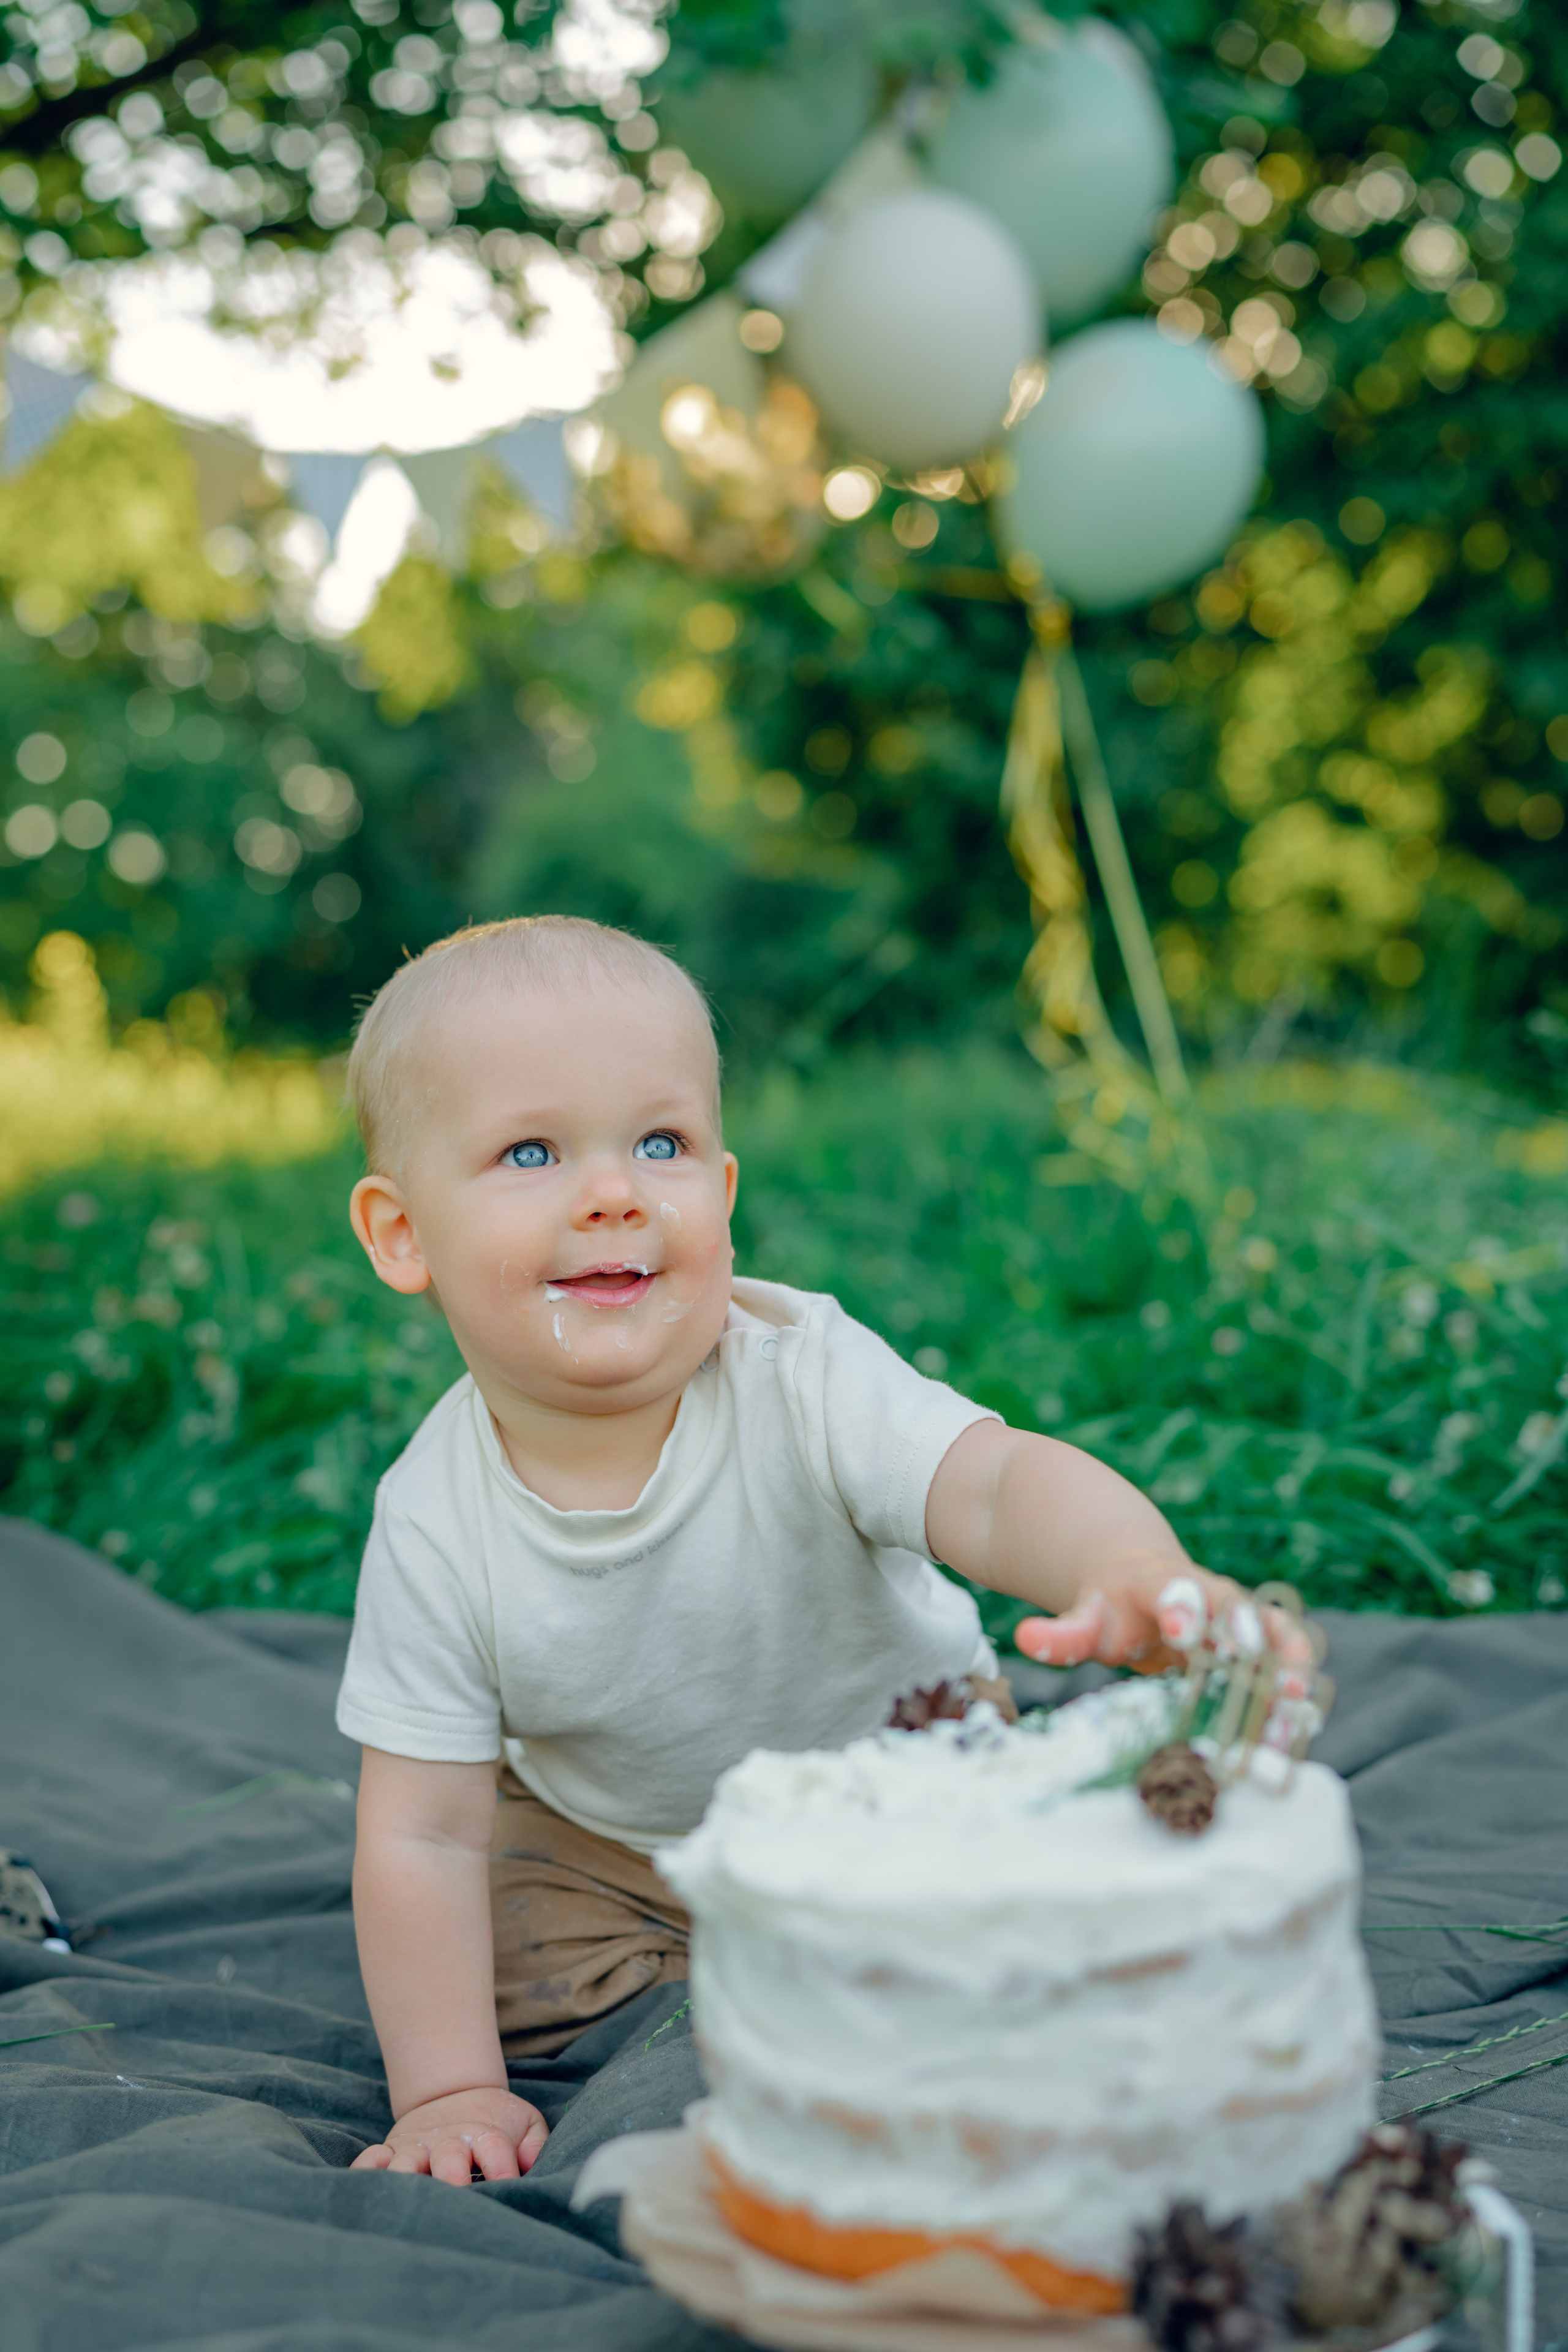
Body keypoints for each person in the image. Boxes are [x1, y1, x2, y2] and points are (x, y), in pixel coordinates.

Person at [335, 915, 1273, 2191]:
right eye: (531, 1150)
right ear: (403, 1236)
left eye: (659, 1143)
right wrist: (446, 2091)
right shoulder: (434, 1518)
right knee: (472, 1927)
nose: (613, 1191)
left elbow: (991, 1486)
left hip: (899, 1788)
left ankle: (892, 1968)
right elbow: (422, 1834)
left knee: (1034, 1899)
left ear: (719, 1194)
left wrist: (1121, 1558)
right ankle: (728, 1983)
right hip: (619, 1853)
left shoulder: (803, 1374)